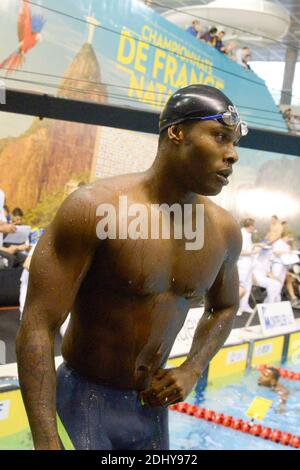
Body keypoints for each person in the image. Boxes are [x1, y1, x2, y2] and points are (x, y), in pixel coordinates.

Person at [16, 84, 248, 450]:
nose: (232, 155)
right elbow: (37, 327)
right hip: (81, 402)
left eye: (234, 143)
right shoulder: (92, 209)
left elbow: (226, 306)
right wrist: (46, 440)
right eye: (220, 137)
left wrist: (192, 367)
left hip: (150, 409)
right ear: (177, 132)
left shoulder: (223, 231)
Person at [237, 218, 255, 315]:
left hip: (249, 264)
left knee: (248, 286)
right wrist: (253, 252)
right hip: (242, 264)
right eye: (253, 226)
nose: (254, 228)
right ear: (250, 226)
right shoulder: (242, 234)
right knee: (241, 286)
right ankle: (236, 307)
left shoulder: (248, 235)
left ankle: (244, 306)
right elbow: (240, 252)